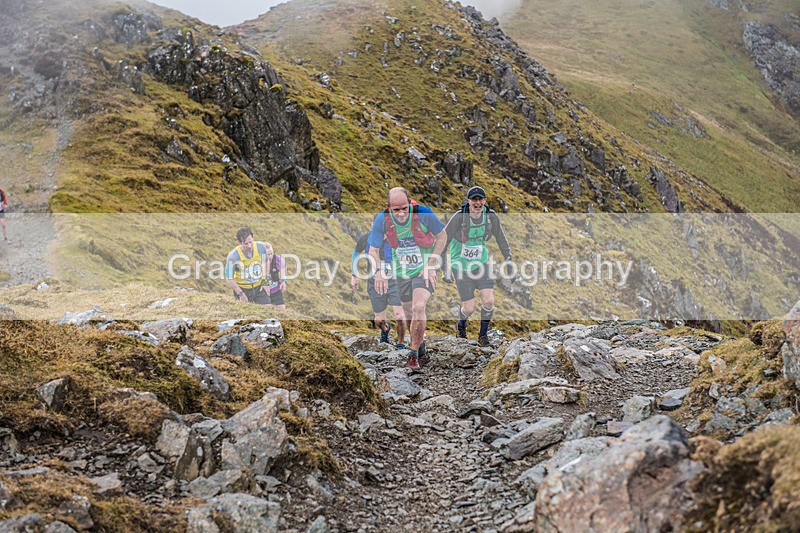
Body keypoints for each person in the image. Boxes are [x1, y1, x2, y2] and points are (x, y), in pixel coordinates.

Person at [369, 187, 447, 369]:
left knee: (418, 306)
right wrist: (379, 271)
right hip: (401, 272)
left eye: (404, 208)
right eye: (396, 210)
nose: (401, 213)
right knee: (409, 314)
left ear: (409, 203)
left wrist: (431, 264)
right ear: (389, 207)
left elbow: (442, 236)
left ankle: (412, 356)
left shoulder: (423, 213)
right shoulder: (382, 219)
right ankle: (421, 349)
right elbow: (373, 250)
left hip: (423, 270)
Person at [443, 186, 512, 347]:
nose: (478, 203)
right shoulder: (459, 218)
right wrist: (443, 267)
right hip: (460, 266)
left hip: (481, 264)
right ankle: (461, 325)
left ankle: (483, 336)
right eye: (474, 200)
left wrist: (509, 259)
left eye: (480, 199)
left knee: (489, 301)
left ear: (485, 201)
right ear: (468, 201)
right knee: (469, 308)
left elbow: (501, 238)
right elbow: (443, 240)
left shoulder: (490, 217)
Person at [351, 232, 407, 347]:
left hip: (395, 282)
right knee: (379, 320)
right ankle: (385, 330)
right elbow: (355, 253)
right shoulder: (366, 238)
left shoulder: (397, 237)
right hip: (375, 283)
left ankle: (400, 343)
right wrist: (354, 275)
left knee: (400, 317)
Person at [225, 227, 271, 305]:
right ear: (239, 242)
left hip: (259, 287)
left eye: (251, 242)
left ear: (253, 238)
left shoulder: (261, 247)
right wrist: (240, 293)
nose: (249, 246)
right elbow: (229, 278)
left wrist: (265, 282)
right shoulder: (233, 256)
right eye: (246, 244)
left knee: (268, 310)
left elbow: (266, 262)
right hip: (243, 289)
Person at [264, 242, 287, 309]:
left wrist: (283, 281)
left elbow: (284, 268)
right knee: (266, 310)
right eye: (268, 254)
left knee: (282, 308)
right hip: (263, 293)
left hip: (276, 290)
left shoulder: (277, 259)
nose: (270, 256)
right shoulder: (258, 261)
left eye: (271, 253)